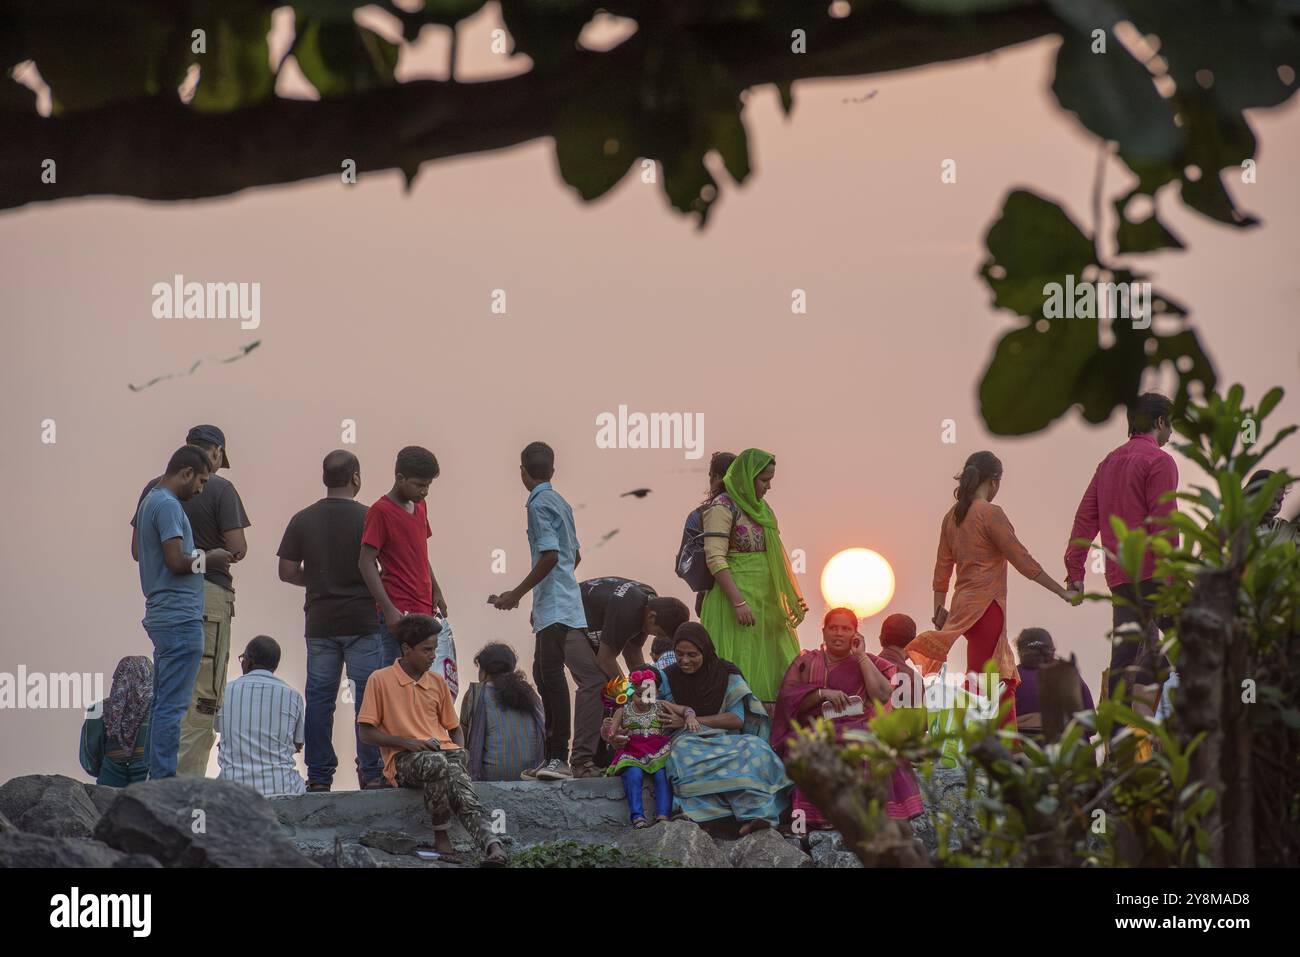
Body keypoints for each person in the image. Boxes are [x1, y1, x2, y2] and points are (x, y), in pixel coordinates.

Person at [907, 451, 1076, 729]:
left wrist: (938, 609)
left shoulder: (952, 517)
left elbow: (942, 568)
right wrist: (1061, 591)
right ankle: (973, 737)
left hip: (963, 611)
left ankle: (1007, 744)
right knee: (984, 679)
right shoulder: (990, 513)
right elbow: (1022, 560)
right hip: (988, 609)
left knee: (1000, 677)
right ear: (994, 482)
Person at [131, 425, 250, 777]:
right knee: (196, 701)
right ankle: (179, 784)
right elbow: (188, 558)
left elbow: (138, 551)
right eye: (200, 481)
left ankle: (159, 779)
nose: (202, 488)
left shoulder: (150, 493)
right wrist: (209, 558)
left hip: (160, 606)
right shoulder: (180, 501)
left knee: (165, 700)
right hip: (190, 608)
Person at [357, 615, 507, 866]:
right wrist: (408, 742)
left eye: (435, 649)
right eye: (427, 650)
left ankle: (493, 846)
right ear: (406, 649)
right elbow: (366, 733)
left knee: (456, 772)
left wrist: (461, 750)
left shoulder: (437, 682)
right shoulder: (379, 679)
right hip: (404, 758)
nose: (433, 655)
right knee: (437, 762)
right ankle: (441, 834)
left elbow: (454, 728)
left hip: (442, 754)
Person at [492, 441, 601, 780]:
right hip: (561, 601)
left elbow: (551, 555)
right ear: (552, 471)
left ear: (522, 472)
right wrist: (539, 597)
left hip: (555, 604)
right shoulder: (561, 502)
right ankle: (554, 755)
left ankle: (559, 757)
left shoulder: (537, 504)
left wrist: (517, 594)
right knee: (542, 672)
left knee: (551, 676)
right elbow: (574, 556)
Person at [278, 450, 385, 791]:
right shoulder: (369, 518)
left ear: (325, 478)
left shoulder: (302, 519)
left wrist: (319, 581)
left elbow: (287, 571)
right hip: (363, 621)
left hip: (321, 623)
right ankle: (370, 773)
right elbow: (383, 569)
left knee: (320, 701)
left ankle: (319, 778)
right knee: (366, 701)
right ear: (355, 477)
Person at [1064, 393, 1180, 703]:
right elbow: (1163, 525)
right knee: (1188, 650)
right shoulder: (1160, 461)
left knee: (1126, 657)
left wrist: (1074, 570)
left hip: (1121, 578)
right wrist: (1171, 582)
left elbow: (1085, 519)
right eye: (1171, 425)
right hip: (1155, 576)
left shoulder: (1108, 463)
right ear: (1159, 422)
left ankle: (1118, 734)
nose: (1172, 433)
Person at [771, 608, 924, 823]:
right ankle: (822, 816)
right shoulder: (806, 661)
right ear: (823, 632)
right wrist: (822, 694)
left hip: (860, 727)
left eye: (846, 629)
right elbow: (788, 702)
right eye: (833, 628)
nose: (839, 634)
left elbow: (881, 695)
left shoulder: (872, 663)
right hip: (813, 729)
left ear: (856, 634)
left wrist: (860, 656)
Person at [697, 448, 807, 704]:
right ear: (746, 477)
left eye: (770, 479)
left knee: (778, 661)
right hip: (734, 601)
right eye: (763, 480)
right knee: (741, 661)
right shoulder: (721, 508)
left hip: (766, 602)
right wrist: (738, 602)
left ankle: (773, 732)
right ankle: (738, 723)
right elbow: (715, 558)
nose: (768, 486)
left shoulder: (762, 508)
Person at [659, 623, 792, 835]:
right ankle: (706, 818)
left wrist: (692, 720)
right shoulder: (667, 678)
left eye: (692, 655)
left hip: (726, 737)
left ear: (705, 651)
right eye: (679, 654)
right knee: (680, 753)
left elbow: (736, 719)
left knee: (754, 746)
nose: (685, 661)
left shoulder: (725, 673)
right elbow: (654, 710)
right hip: (689, 740)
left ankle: (756, 817)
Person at [359, 446, 448, 669]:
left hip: (424, 607)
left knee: (421, 677)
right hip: (398, 610)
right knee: (395, 676)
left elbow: (421, 552)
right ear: (400, 478)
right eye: (419, 485)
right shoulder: (380, 511)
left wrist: (436, 590)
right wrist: (387, 608)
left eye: (428, 485)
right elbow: (366, 562)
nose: (425, 491)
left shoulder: (420, 506)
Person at [216, 636, 306, 796]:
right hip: (282, 790)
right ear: (275, 666)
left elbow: (217, 728)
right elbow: (298, 744)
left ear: (248, 662)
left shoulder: (225, 692)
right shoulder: (293, 696)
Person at [458, 643, 545, 782]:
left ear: (484, 671)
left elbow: (461, 737)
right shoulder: (530, 693)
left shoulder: (476, 693)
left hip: (489, 777)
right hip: (531, 775)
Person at [603, 670, 675, 827]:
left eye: (648, 694)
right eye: (638, 694)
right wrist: (612, 735)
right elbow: (611, 733)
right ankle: (637, 816)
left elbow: (685, 710)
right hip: (632, 750)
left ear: (657, 693)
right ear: (631, 693)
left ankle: (663, 815)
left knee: (662, 775)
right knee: (633, 774)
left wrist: (689, 716)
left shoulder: (661, 706)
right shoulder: (622, 711)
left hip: (658, 750)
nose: (643, 700)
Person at [580, 577, 691, 678]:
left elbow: (632, 653)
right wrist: (628, 695)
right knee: (595, 682)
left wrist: (648, 687)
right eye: (660, 633)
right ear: (652, 616)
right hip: (568, 616)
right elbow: (605, 660)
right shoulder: (627, 611)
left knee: (610, 683)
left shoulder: (650, 604)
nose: (658, 636)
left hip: (587, 616)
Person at [80, 657, 153, 787]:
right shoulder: (160, 709)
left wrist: (104, 768)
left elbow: (89, 751)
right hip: (149, 781)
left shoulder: (97, 709)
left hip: (109, 780)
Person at [1012, 628, 1096, 742]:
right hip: (1069, 752)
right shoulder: (1068, 673)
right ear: (1052, 649)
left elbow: (991, 725)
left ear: (1019, 651)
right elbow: (1092, 727)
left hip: (1025, 752)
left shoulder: (1011, 678)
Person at [692, 452, 737, 615]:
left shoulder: (708, 511)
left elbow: (689, 558)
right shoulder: (749, 508)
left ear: (717, 477)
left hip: (713, 588)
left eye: (711, 475)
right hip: (739, 590)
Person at [875, 613, 924, 709]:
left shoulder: (864, 668)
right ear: (913, 643)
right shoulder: (912, 678)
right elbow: (918, 723)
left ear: (881, 638)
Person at [1247, 469, 1296, 543]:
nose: (1275, 507)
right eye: (1270, 500)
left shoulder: (1281, 530)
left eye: (1279, 501)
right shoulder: (1232, 528)